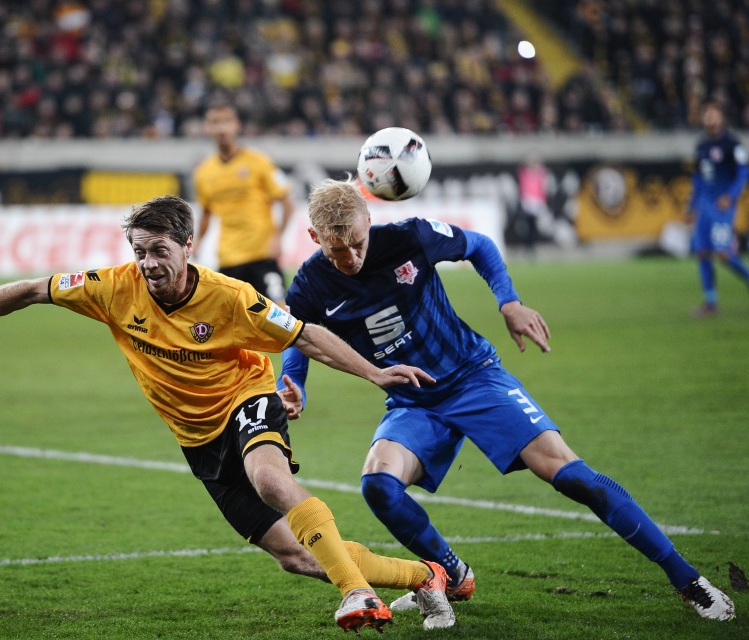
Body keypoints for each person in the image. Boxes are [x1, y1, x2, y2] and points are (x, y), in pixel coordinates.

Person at [0, 195, 455, 632]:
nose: (149, 262)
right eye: (140, 250)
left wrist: (376, 373)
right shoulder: (112, 288)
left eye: (159, 250)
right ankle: (424, 576)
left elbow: (306, 336)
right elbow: (32, 289)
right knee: (293, 556)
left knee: (268, 476)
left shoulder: (232, 298)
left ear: (187, 246)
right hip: (196, 438)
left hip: (246, 398)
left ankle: (356, 593)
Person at [276, 178, 736, 622]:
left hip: (474, 378)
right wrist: (295, 384)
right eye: (338, 249)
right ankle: (452, 573)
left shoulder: (410, 238)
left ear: (369, 221)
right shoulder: (311, 284)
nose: (352, 256)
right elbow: (300, 336)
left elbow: (479, 246)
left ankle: (688, 580)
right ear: (315, 237)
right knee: (378, 485)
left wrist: (508, 301)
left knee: (573, 477)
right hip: (413, 401)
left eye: (358, 242)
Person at [193, 105, 295, 304]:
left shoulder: (259, 162)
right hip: (228, 258)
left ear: (237, 125)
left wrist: (277, 237)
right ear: (208, 128)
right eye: (215, 122)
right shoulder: (204, 173)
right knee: (231, 325)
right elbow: (206, 213)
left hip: (261, 254)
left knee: (281, 315)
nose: (222, 128)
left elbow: (287, 203)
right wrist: (198, 242)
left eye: (227, 122)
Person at [686, 100, 749, 317]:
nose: (710, 118)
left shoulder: (732, 144)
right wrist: (691, 206)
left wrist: (730, 196)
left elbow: (743, 173)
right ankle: (710, 302)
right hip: (704, 206)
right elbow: (698, 179)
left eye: (714, 113)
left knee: (723, 253)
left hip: (722, 207)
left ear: (722, 117)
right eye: (707, 114)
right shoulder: (701, 146)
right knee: (703, 252)